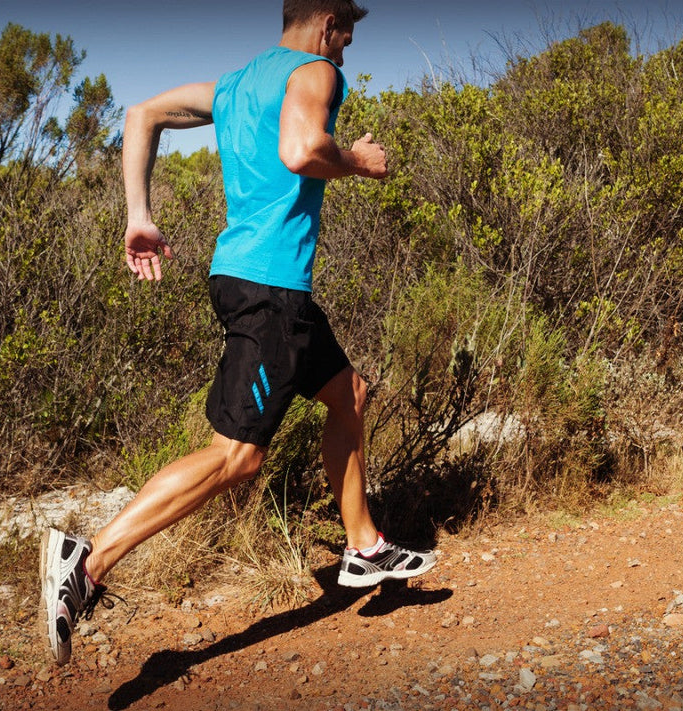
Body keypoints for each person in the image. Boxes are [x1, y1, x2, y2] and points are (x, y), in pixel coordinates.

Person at [40, 0, 436, 666]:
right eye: (347, 36)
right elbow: (302, 148)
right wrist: (359, 162)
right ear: (327, 24)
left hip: (260, 286)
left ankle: (365, 547)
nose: (346, 52)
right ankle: (88, 563)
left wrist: (139, 214)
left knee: (351, 395)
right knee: (237, 457)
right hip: (271, 292)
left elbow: (141, 114)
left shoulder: (234, 84)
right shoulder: (315, 72)